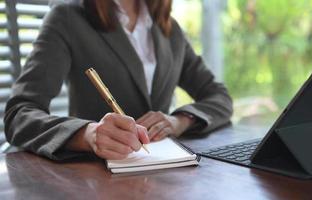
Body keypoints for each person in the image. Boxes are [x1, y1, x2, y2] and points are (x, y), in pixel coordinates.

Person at [4, 0, 232, 161]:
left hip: (165, 173)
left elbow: (219, 96)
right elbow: (20, 114)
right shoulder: (67, 18)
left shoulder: (169, 28)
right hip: (95, 181)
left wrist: (179, 121)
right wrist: (88, 134)